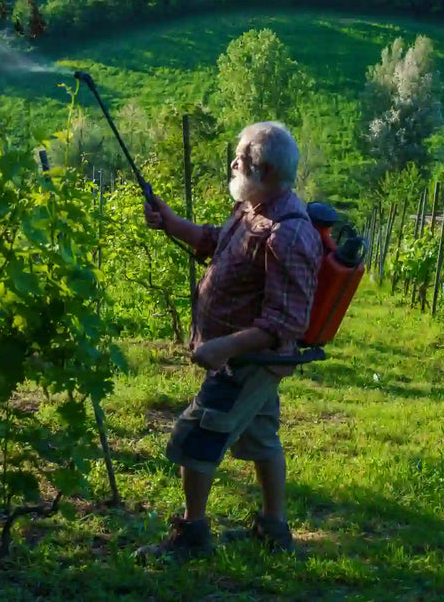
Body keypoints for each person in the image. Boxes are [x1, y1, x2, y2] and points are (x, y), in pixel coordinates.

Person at [135, 121, 323, 562]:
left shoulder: (289, 234)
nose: (234, 162)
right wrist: (171, 223)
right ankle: (273, 530)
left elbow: (284, 324)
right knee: (261, 437)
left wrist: (222, 348)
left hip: (245, 362)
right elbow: (218, 244)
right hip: (240, 359)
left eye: (242, 157)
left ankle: (192, 536)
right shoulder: (252, 209)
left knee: (198, 436)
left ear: (267, 169)